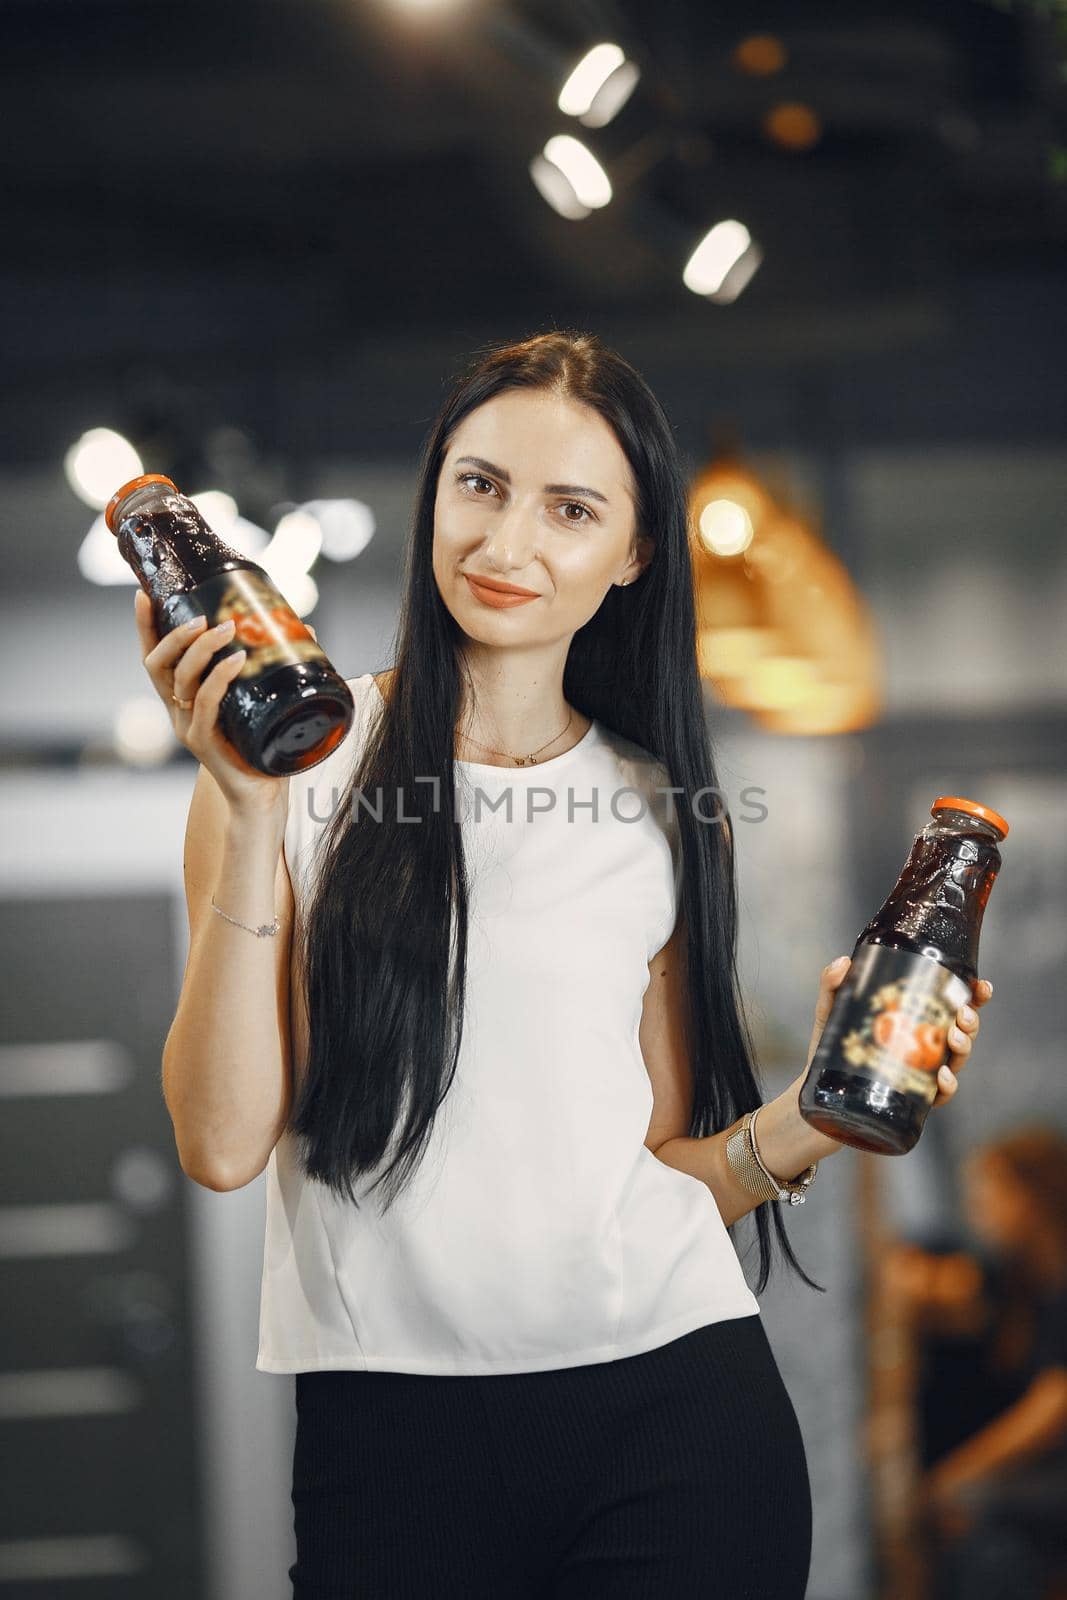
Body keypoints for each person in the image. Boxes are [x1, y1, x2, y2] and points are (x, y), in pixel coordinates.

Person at [137, 330, 989, 1598]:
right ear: (434, 487)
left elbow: (655, 1185)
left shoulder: (657, 806)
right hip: (392, 1433)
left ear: (634, 554)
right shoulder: (294, 758)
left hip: (675, 1414)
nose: (504, 545)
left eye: (569, 509)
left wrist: (816, 1111)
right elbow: (218, 1145)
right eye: (477, 484)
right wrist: (255, 806)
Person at [910, 1128, 1067, 1600]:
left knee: (979, 1525)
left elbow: (1054, 1407)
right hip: (1042, 1478)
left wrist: (956, 1477)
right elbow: (938, 1288)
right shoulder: (1016, 1279)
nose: (979, 1208)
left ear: (1030, 1199)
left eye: (991, 1193)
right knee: (987, 1544)